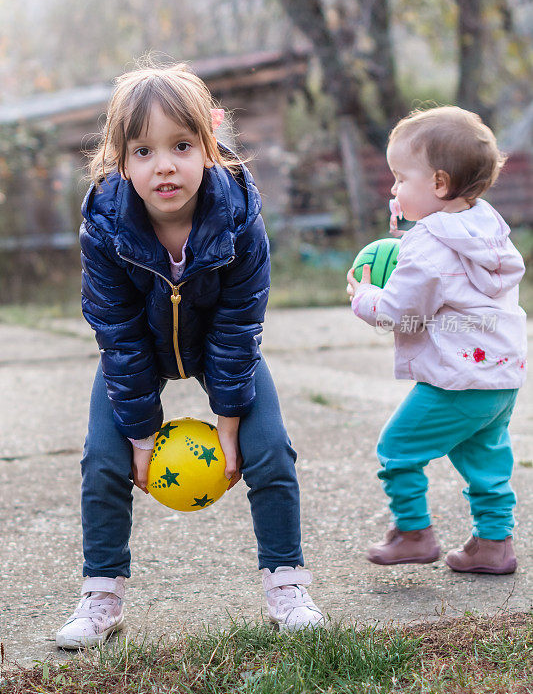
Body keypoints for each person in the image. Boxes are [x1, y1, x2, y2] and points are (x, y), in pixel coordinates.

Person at [55, 61, 323, 649]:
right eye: (144, 150)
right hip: (139, 352)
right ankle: (100, 596)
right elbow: (118, 334)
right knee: (103, 461)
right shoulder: (105, 225)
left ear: (210, 143)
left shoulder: (240, 218)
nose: (165, 165)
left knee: (270, 451)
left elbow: (239, 324)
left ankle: (287, 582)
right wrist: (141, 436)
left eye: (181, 145)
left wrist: (229, 425)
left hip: (217, 347)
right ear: (120, 160)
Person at [347, 106, 527, 575]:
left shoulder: (428, 244)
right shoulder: (486, 228)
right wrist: (408, 237)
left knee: (396, 449)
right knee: (483, 458)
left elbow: (400, 313)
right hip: (501, 377)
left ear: (440, 185)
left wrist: (364, 294)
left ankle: (413, 532)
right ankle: (494, 544)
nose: (393, 189)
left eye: (400, 178)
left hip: (456, 380)